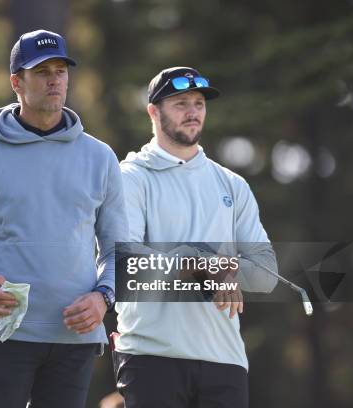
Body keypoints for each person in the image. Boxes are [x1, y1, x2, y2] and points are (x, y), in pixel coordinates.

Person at [0, 29, 127, 408]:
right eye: (41, 71)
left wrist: (104, 298)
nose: (54, 79)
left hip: (76, 340)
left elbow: (119, 250)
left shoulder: (101, 156)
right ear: (16, 82)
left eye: (60, 70)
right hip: (4, 335)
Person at [113, 67, 278, 408]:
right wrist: (201, 265)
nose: (192, 112)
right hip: (150, 355)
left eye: (199, 103)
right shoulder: (129, 178)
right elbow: (125, 266)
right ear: (153, 112)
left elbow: (265, 274)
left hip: (225, 359)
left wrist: (223, 268)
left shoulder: (232, 184)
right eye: (180, 103)